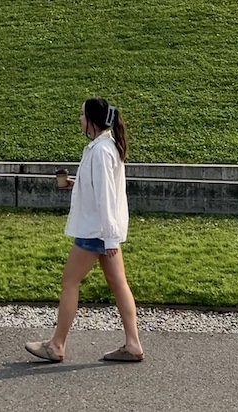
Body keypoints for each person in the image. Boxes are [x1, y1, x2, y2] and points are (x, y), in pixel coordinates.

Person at [25, 97, 144, 363]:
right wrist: (74, 184)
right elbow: (97, 185)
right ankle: (133, 344)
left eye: (81, 115)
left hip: (95, 232)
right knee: (118, 284)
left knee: (69, 283)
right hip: (103, 230)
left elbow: (106, 195)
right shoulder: (103, 147)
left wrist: (110, 236)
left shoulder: (101, 151)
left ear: (92, 121)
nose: (79, 119)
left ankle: (56, 345)